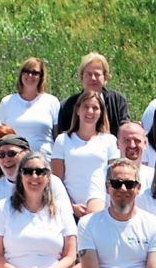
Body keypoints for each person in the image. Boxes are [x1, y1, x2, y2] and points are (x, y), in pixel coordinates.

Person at [51, 89, 119, 218]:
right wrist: (71, 206)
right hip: (69, 211)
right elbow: (57, 180)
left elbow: (114, 177)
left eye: (95, 108)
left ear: (101, 112)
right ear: (77, 110)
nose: (90, 111)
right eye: (86, 107)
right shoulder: (63, 140)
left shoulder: (110, 141)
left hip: (101, 210)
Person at [51, 53, 132, 136]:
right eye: (89, 74)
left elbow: (126, 132)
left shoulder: (118, 101)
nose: (93, 78)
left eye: (97, 74)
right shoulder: (68, 105)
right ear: (82, 77)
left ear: (105, 77)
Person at [0, 57, 61, 155]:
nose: (30, 75)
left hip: (45, 160)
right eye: (26, 71)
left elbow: (58, 136)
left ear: (41, 77)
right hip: (14, 161)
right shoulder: (7, 102)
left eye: (35, 73)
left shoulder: (52, 101)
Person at [114, 121, 155, 191]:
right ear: (117, 144)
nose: (132, 145)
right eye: (127, 140)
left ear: (145, 144)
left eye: (137, 140)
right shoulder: (104, 175)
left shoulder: (154, 177)